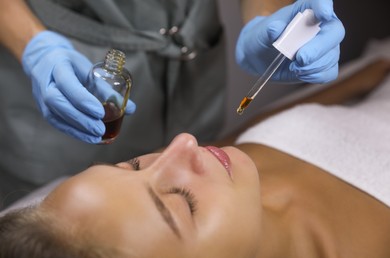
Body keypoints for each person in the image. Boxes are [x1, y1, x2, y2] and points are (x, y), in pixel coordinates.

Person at [1, 56, 389, 258]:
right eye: (181, 204)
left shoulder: (229, 173)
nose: (184, 144)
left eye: (133, 165)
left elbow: (245, 138)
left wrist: (365, 75)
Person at [0, 0, 344, 209]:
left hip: (192, 61)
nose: (186, 144)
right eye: (181, 205)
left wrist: (270, 19)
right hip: (61, 52)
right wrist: (35, 45)